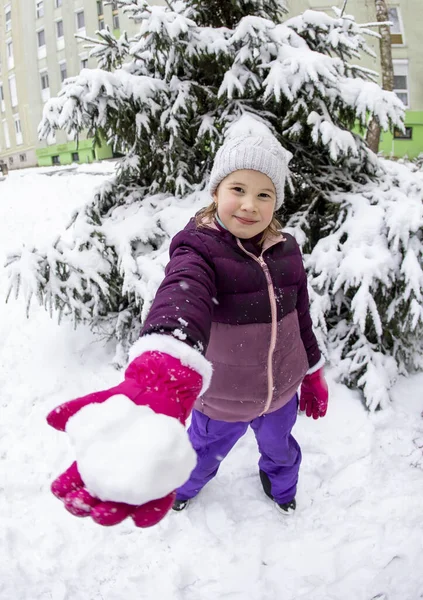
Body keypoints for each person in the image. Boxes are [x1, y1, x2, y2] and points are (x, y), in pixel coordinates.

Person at [47, 134, 329, 528]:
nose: (250, 204)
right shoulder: (200, 250)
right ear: (217, 191)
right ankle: (182, 489)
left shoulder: (287, 250)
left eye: (265, 195)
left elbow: (300, 315)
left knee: (281, 451)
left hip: (282, 392)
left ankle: (282, 489)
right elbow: (183, 293)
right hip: (222, 401)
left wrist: (312, 372)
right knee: (200, 453)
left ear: (277, 202)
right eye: (238, 189)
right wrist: (165, 360)